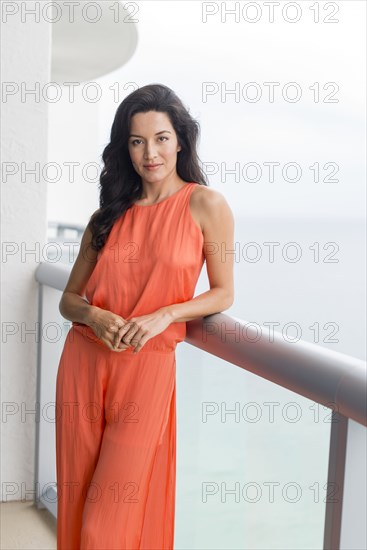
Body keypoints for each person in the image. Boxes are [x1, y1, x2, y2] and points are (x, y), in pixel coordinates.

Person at [55, 83, 234, 549]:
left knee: (106, 521)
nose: (150, 152)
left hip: (147, 369)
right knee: (77, 507)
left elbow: (223, 292)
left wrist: (165, 314)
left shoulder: (205, 205)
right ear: (125, 148)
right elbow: (69, 300)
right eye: (137, 141)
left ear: (180, 140)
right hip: (84, 365)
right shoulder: (107, 217)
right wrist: (96, 318)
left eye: (160, 138)